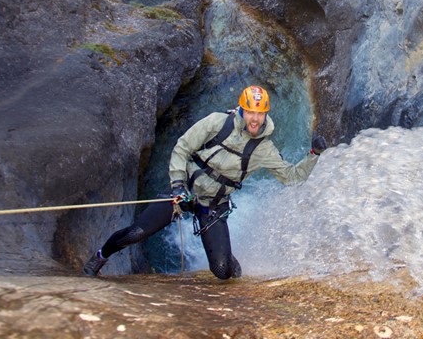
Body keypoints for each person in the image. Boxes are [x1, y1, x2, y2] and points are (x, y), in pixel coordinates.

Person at [83, 85, 327, 280]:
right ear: (242, 110)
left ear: (266, 114)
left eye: (260, 113)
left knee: (222, 271)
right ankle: (100, 257)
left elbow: (292, 177)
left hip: (214, 204)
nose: (255, 119)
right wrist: (178, 184)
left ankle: (232, 264)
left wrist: (314, 155)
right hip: (186, 190)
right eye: (251, 112)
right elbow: (183, 147)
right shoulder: (217, 123)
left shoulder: (264, 149)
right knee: (136, 233)